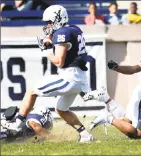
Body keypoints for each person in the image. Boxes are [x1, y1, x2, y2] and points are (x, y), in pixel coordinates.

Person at [3, 5, 95, 143]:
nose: (48, 25)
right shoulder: (74, 28)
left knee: (32, 91)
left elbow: (58, 61)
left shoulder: (62, 33)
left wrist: (45, 51)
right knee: (61, 110)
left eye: (50, 22)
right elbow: (64, 44)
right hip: (79, 78)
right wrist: (50, 41)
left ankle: (17, 123)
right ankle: (85, 135)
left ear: (58, 19)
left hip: (70, 77)